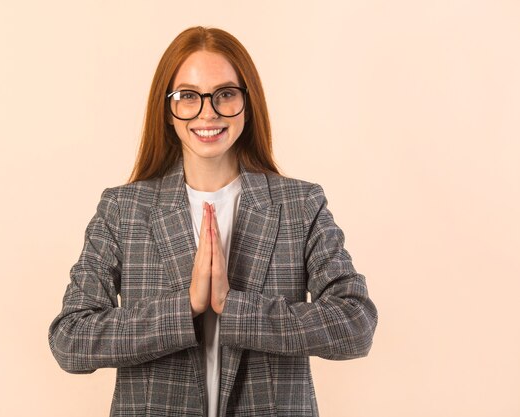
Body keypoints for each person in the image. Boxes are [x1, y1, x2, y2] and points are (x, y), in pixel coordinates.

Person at [48, 26, 378, 417]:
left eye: (225, 94)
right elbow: (70, 339)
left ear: (247, 103)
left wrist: (233, 307)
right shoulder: (123, 209)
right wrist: (184, 307)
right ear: (167, 109)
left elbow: (356, 323)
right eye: (188, 96)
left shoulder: (300, 205)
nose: (208, 112)